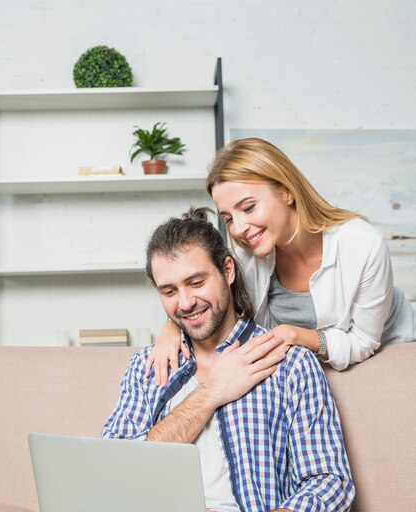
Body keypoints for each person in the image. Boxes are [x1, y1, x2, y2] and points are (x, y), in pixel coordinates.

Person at [19, 208, 354, 512]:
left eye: (197, 282)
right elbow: (117, 470)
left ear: (227, 270)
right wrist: (210, 394)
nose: (186, 302)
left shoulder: (288, 364)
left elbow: (331, 486)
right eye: (169, 290)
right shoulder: (150, 367)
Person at [148, 138, 416, 382]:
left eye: (249, 207)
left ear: (286, 192)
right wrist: (172, 328)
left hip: (389, 355)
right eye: (229, 218)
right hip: (313, 372)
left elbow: (364, 341)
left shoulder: (362, 244)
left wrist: (298, 336)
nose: (239, 228)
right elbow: (210, 303)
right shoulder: (246, 257)